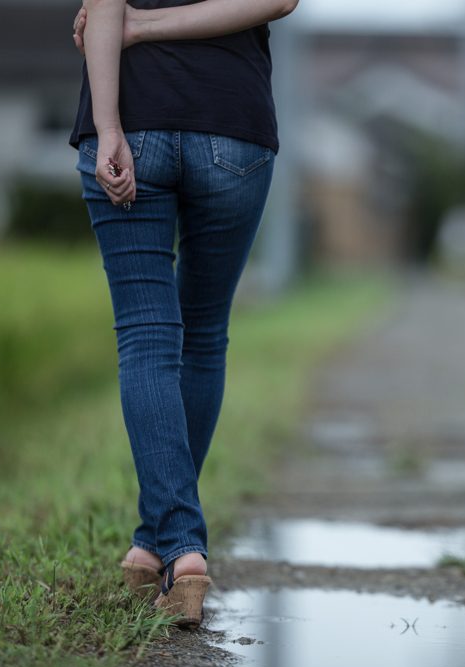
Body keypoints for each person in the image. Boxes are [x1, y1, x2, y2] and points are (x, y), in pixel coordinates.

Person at [71, 0, 297, 629]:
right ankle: (162, 546)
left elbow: (104, 8)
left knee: (147, 336)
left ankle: (172, 544)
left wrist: (109, 124)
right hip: (232, 124)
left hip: (131, 114)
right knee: (201, 335)